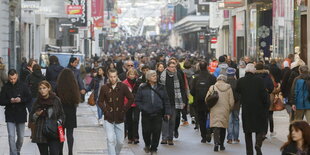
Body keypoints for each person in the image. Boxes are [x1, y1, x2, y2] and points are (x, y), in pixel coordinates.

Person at [98, 69, 134, 155]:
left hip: (120, 117)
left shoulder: (123, 86)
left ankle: (115, 153)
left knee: (120, 142)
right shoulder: (104, 88)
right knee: (110, 140)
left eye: (114, 76)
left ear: (117, 76)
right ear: (108, 76)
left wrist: (124, 109)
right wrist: (105, 111)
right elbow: (99, 101)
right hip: (108, 118)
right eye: (111, 77)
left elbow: (131, 98)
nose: (113, 79)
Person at [135, 70, 171, 154]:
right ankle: (147, 144)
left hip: (158, 113)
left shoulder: (161, 87)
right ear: (148, 78)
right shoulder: (142, 87)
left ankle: (154, 148)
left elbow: (166, 100)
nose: (155, 77)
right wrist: (143, 108)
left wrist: (167, 112)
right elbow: (137, 100)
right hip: (146, 114)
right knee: (146, 131)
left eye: (155, 75)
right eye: (153, 76)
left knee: (157, 131)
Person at [236, 64, 269, 155]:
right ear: (253, 71)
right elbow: (264, 95)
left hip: (246, 109)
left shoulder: (240, 81)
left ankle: (249, 152)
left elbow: (237, 93)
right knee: (260, 128)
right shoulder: (259, 81)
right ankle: (258, 144)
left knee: (248, 131)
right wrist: (266, 106)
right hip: (259, 108)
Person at [0, 69, 32, 155]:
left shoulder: (23, 85)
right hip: (10, 114)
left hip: (21, 114)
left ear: (17, 76)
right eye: (10, 79)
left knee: (21, 137)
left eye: (14, 78)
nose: (12, 80)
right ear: (8, 77)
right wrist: (10, 101)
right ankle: (13, 153)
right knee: (11, 136)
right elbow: (1, 101)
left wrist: (21, 100)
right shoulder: (5, 87)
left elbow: (29, 98)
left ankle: (17, 151)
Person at [30, 81, 65, 155]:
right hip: (41, 133)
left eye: (44, 88)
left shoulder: (56, 100)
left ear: (49, 88)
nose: (42, 90)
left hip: (54, 132)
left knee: (55, 153)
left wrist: (59, 122)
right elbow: (31, 118)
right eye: (40, 89)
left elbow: (62, 114)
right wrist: (36, 114)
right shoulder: (37, 102)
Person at [160, 61, 188, 145]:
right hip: (165, 101)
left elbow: (182, 88)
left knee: (172, 120)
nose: (173, 68)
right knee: (165, 119)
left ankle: (170, 138)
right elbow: (160, 88)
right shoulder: (162, 75)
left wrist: (183, 100)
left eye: (174, 67)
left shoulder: (178, 75)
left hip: (175, 101)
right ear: (167, 67)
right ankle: (164, 138)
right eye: (171, 67)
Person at [206, 74, 234, 152]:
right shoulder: (229, 88)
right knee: (223, 127)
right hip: (225, 110)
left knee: (216, 127)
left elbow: (206, 99)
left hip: (214, 109)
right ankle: (222, 145)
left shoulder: (213, 87)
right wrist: (229, 109)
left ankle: (216, 144)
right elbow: (231, 101)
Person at [190, 61, 216, 143]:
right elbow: (215, 89)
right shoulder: (212, 77)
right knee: (210, 117)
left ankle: (203, 136)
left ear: (199, 68)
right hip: (210, 101)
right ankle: (210, 131)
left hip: (199, 101)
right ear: (207, 67)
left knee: (201, 119)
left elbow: (192, 91)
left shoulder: (196, 78)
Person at [56, 69, 81, 155]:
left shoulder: (58, 86)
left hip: (60, 113)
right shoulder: (74, 86)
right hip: (71, 112)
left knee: (61, 133)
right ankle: (70, 152)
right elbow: (76, 100)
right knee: (70, 134)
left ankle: (60, 152)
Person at [123, 68, 140, 144]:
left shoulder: (138, 82)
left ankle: (136, 137)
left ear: (136, 75)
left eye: (133, 74)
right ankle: (130, 137)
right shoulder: (124, 83)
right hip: (128, 104)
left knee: (135, 120)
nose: (132, 76)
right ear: (128, 75)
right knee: (129, 120)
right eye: (130, 74)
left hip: (136, 103)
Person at [226, 67, 241, 144]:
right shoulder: (237, 82)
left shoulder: (225, 83)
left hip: (228, 104)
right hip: (236, 104)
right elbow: (240, 94)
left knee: (229, 121)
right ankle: (236, 138)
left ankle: (229, 138)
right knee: (236, 120)